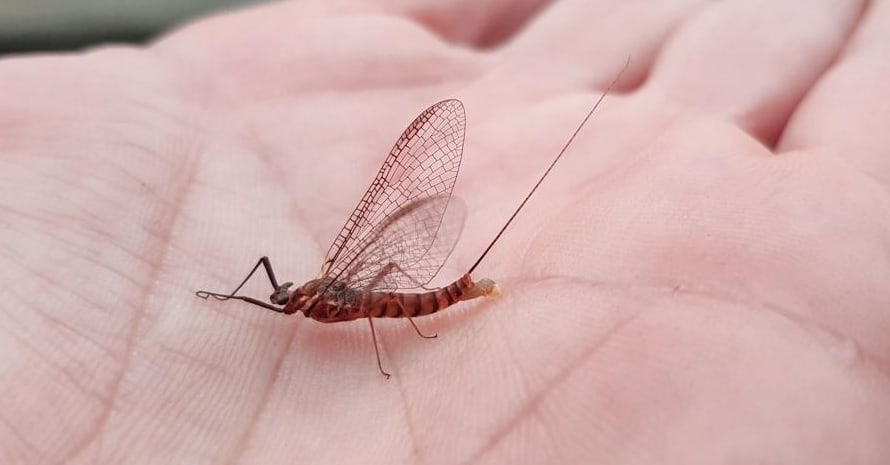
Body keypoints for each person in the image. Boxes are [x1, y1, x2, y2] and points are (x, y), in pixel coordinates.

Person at [2, 0, 888, 463]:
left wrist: (409, 319)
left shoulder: (338, 300)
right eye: (278, 297)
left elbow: (384, 261)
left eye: (284, 296)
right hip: (379, 294)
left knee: (413, 294)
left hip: (419, 294)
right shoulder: (304, 300)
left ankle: (467, 295)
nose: (282, 299)